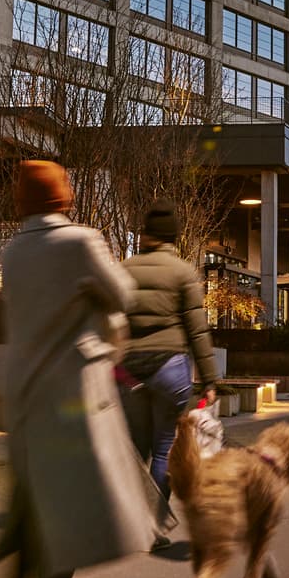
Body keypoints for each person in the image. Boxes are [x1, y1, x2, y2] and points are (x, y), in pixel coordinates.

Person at [0, 161, 158, 578]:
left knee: (39, 508)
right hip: (71, 401)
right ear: (63, 196)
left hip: (24, 397)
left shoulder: (12, 251)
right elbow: (124, 294)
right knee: (62, 518)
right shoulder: (82, 242)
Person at [119, 200, 217, 549]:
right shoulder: (182, 272)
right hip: (170, 368)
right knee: (163, 450)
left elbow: (112, 323)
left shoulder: (124, 268)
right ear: (173, 236)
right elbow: (197, 329)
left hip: (129, 370)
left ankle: (128, 523)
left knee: (134, 449)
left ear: (145, 234)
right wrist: (209, 379)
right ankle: (155, 529)